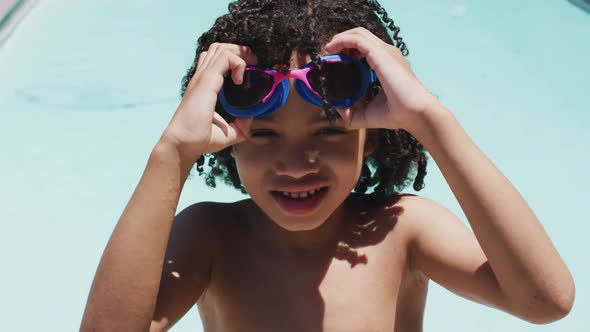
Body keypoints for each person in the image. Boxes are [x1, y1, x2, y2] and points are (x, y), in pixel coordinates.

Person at [80, 0, 575, 331]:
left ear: (375, 133)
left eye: (329, 131)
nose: (296, 165)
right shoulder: (212, 237)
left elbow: (544, 301)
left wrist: (431, 120)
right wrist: (171, 154)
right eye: (267, 134)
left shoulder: (399, 231)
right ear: (228, 140)